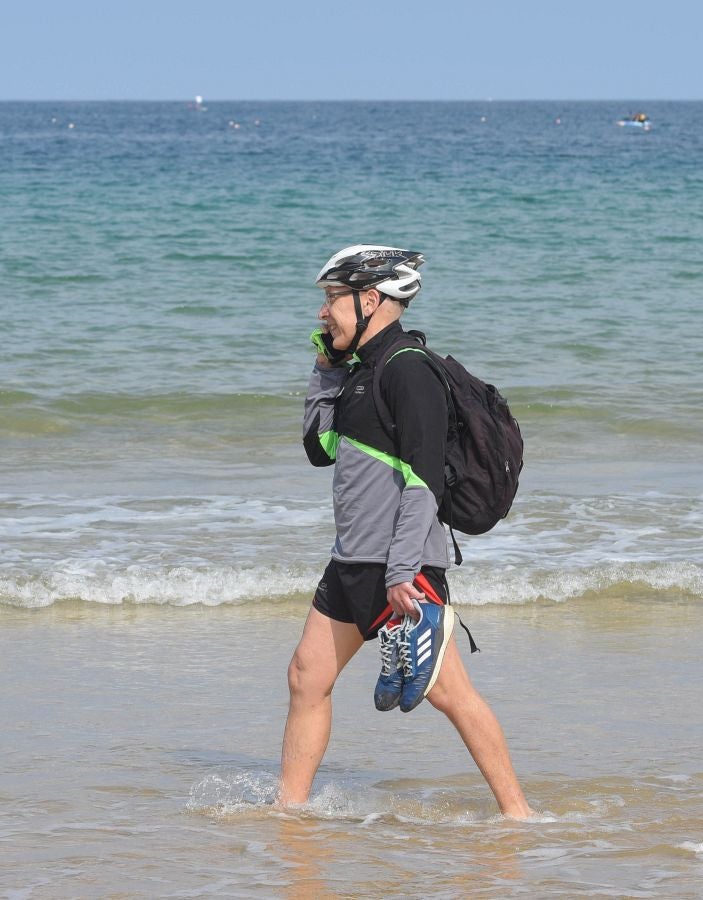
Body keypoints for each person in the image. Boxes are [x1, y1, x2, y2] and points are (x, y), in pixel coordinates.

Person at [277, 245, 532, 819]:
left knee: (451, 695)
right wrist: (324, 372)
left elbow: (424, 481)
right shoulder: (361, 373)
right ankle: (287, 811)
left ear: (371, 300)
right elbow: (321, 449)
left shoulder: (409, 371)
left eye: (331, 300)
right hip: (351, 561)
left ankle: (519, 815)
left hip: (404, 567)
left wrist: (400, 573)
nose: (323, 313)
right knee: (305, 677)